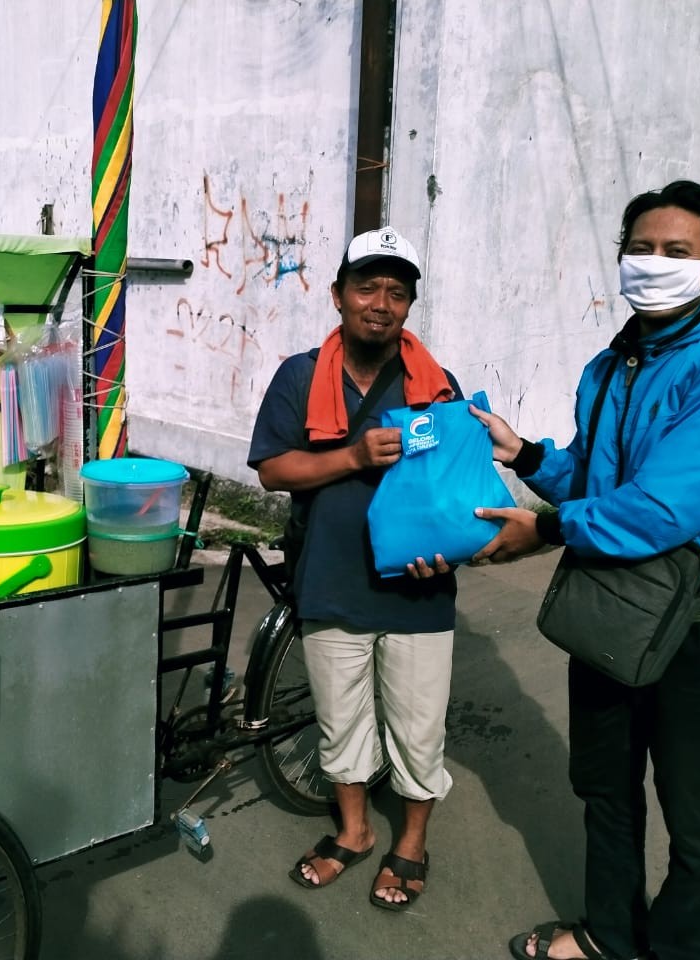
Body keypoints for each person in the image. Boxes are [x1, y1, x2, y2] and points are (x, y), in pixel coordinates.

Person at [470, 181, 700, 960]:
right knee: (605, 792)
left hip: (698, 629)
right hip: (609, 612)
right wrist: (529, 457)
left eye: (676, 251)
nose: (653, 264)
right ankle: (608, 935)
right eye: (640, 248)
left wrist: (541, 530)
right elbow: (598, 481)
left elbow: (661, 511)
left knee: (696, 819)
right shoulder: (609, 366)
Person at [248, 225, 462, 911]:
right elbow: (274, 470)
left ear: (408, 308)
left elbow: (455, 487)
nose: (381, 302)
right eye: (367, 286)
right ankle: (357, 830)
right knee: (341, 723)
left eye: (397, 292)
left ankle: (412, 841)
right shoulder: (301, 376)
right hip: (331, 581)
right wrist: (352, 457)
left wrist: (457, 542)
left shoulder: (437, 384)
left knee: (418, 728)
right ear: (339, 295)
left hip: (419, 590)